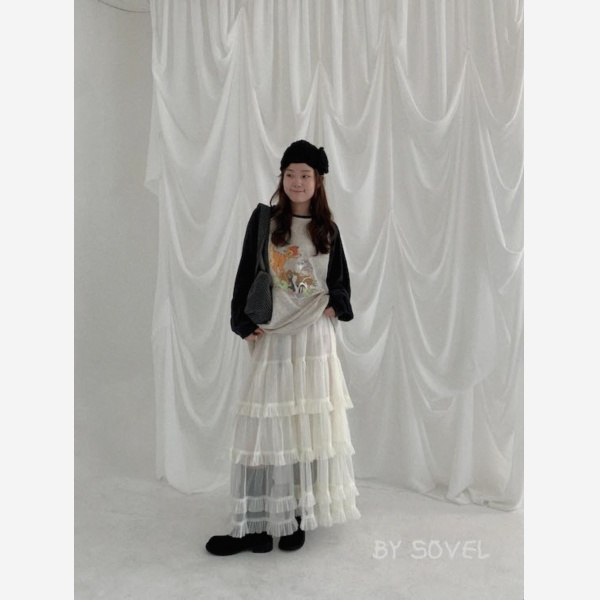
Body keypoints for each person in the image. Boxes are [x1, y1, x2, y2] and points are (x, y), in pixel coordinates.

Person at [206, 140, 360, 556]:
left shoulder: (327, 230)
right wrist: (243, 323)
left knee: (302, 428)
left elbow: (341, 284)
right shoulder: (265, 222)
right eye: (290, 174)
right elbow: (245, 273)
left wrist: (334, 305)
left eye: (305, 175)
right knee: (260, 428)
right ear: (282, 177)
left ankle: (295, 516)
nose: (297, 182)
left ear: (318, 181)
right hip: (273, 336)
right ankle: (253, 528)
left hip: (313, 341)